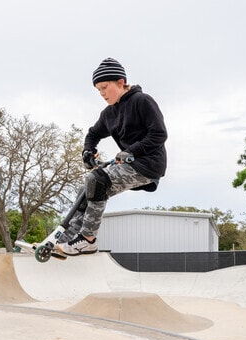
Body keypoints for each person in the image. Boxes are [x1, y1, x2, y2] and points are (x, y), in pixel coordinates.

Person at [56, 57, 168, 256]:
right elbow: (92, 134)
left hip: (148, 164)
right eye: (98, 89)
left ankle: (88, 239)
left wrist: (131, 151)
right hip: (129, 163)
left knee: (97, 181)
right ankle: (64, 241)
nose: (102, 93)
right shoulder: (109, 113)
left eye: (105, 87)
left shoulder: (142, 101)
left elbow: (159, 134)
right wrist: (87, 152)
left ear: (121, 82)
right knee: (87, 188)